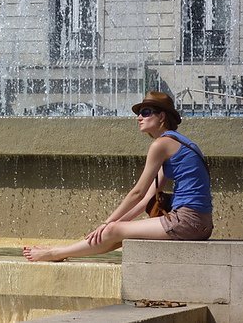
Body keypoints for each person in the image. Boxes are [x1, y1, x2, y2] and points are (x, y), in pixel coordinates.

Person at [23, 91, 213, 262]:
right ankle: (61, 252)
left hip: (186, 222)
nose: (139, 117)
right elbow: (148, 197)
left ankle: (56, 254)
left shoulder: (161, 145)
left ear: (161, 116)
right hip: (201, 224)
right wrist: (119, 221)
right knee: (117, 231)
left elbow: (138, 192)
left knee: (113, 230)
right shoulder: (179, 143)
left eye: (145, 112)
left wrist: (107, 222)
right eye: (139, 113)